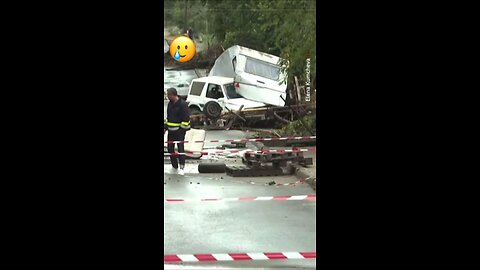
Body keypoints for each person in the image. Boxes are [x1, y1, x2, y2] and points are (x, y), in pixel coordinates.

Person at [164, 88, 190, 175]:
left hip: (179, 132)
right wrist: (165, 127)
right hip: (171, 131)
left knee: (180, 149)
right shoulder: (170, 104)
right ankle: (174, 166)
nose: (167, 97)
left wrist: (181, 130)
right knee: (170, 149)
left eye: (168, 95)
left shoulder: (182, 105)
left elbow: (186, 119)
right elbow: (168, 118)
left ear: (173, 95)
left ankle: (182, 167)